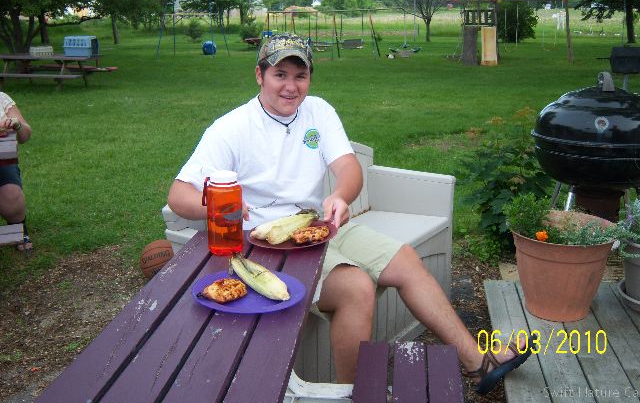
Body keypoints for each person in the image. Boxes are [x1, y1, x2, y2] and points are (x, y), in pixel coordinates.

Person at [167, 33, 531, 394]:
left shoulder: (318, 112)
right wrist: (221, 206)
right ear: (259, 75)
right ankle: (352, 394)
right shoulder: (231, 128)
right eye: (280, 75)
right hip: (265, 245)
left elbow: (348, 168)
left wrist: (341, 196)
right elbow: (179, 195)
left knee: (405, 259)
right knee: (356, 288)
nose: (291, 87)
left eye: (300, 76)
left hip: (316, 226)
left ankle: (478, 362)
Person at [0, 92, 32, 253]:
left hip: (2, 158)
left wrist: (17, 125)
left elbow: (25, 136)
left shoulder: (1, 98)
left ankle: (15, 231)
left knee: (12, 197)